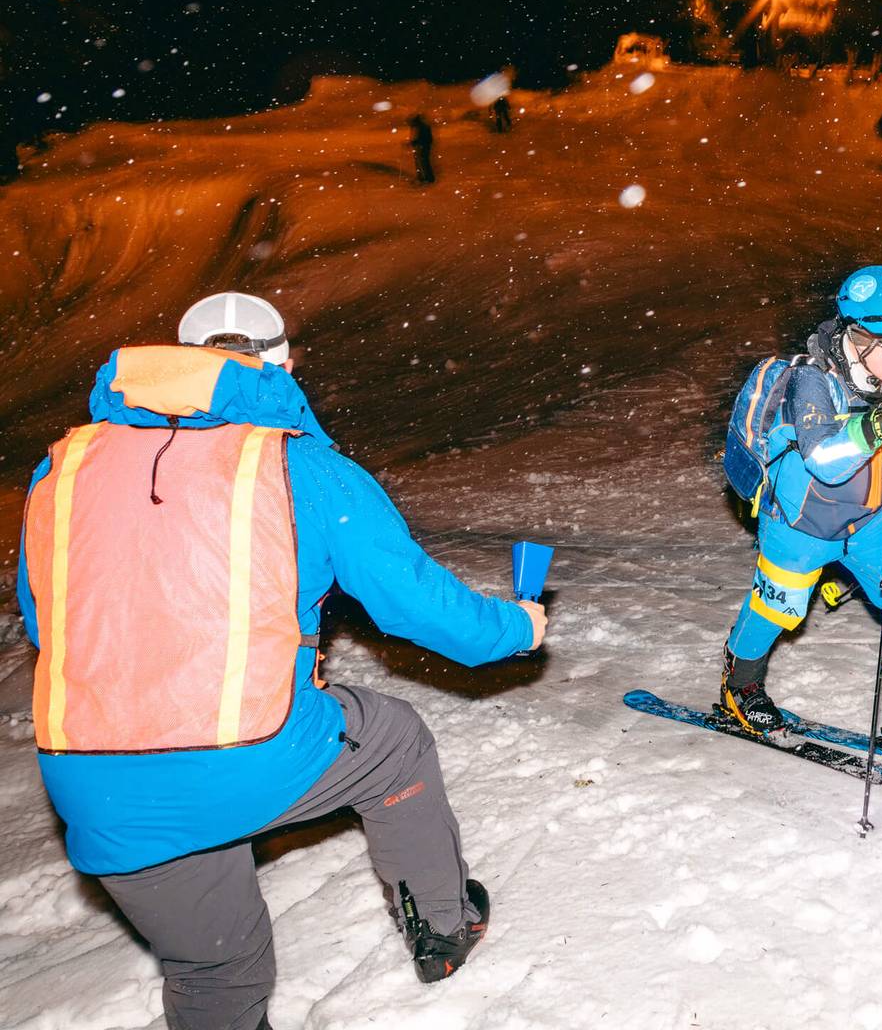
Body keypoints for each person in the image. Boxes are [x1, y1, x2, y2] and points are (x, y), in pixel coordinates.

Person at [16, 291, 546, 1029]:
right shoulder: (300, 466)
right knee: (394, 743)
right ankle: (443, 927)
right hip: (245, 757)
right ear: (284, 365)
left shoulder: (63, 470)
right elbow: (421, 607)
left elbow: (50, 619)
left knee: (215, 968)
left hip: (93, 782)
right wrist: (516, 628)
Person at [719, 267, 882, 762]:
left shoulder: (881, 375)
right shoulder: (811, 382)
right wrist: (876, 427)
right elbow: (823, 461)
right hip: (802, 527)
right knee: (777, 612)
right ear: (860, 339)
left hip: (867, 521)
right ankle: (741, 682)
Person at [409, 113, 436, 185]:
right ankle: (423, 177)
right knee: (421, 162)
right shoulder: (421, 126)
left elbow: (423, 138)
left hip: (423, 147)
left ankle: (428, 178)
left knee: (424, 163)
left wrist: (415, 142)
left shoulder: (421, 127)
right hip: (422, 146)